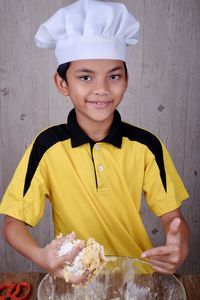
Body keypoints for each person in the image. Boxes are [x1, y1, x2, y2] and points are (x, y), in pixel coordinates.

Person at [0, 0, 189, 284]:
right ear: (62, 83)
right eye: (85, 77)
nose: (101, 89)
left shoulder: (147, 146)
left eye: (114, 76)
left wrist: (181, 245)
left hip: (135, 281)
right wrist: (41, 257)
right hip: (76, 281)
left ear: (126, 79)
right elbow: (13, 224)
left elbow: (173, 220)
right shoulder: (46, 147)